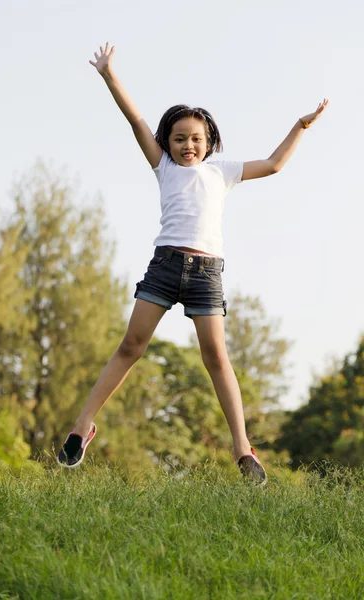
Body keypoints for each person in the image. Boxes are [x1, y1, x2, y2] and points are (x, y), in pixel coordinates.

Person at [58, 42, 328, 483]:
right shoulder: (163, 166)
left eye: (195, 139)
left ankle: (243, 449)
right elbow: (135, 119)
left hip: (206, 275)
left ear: (208, 143)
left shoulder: (224, 171)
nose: (187, 145)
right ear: (168, 143)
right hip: (164, 266)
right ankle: (82, 425)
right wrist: (109, 75)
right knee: (131, 346)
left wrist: (300, 125)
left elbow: (276, 164)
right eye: (179, 138)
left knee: (217, 359)